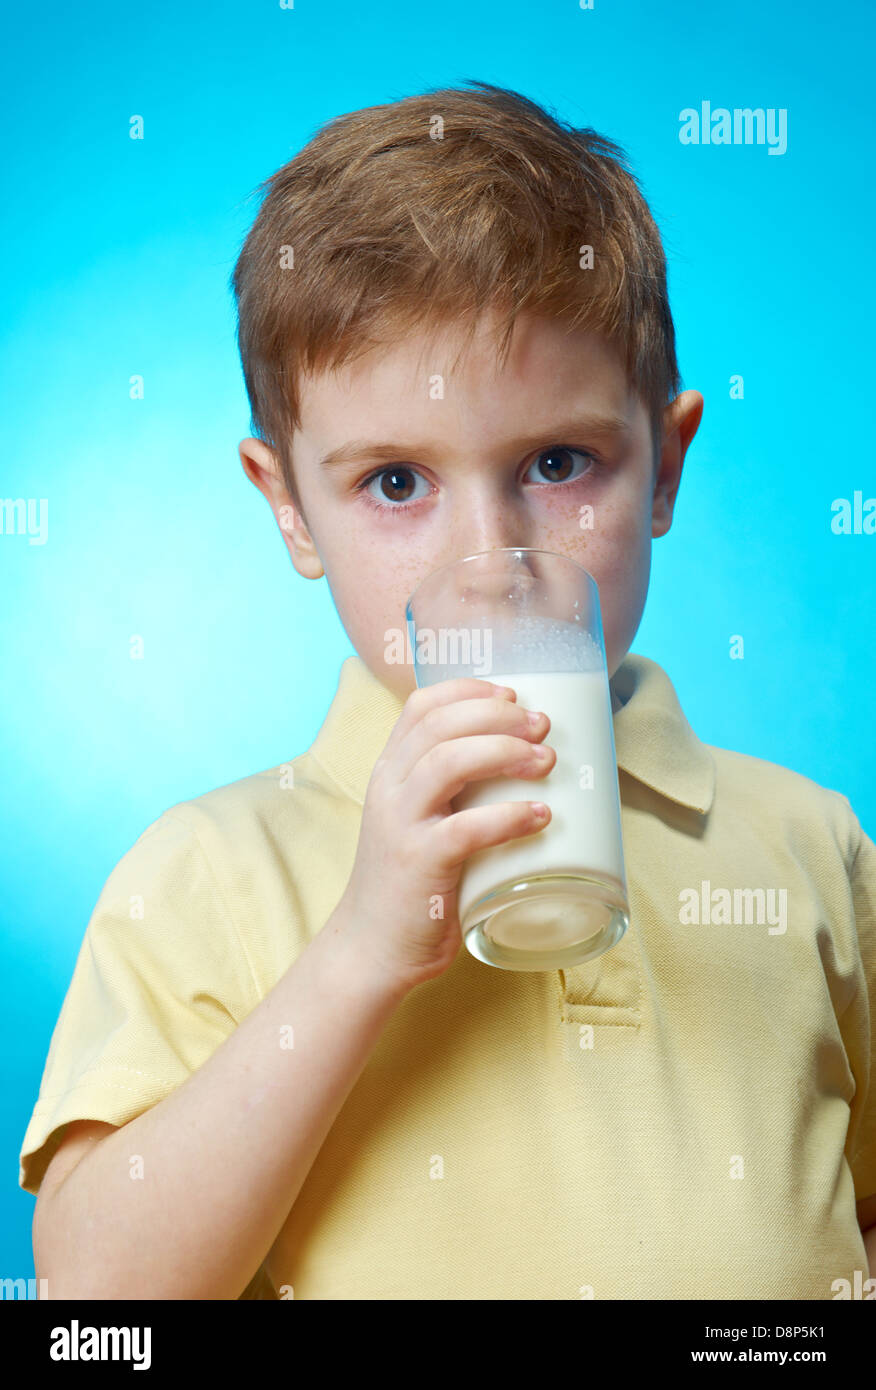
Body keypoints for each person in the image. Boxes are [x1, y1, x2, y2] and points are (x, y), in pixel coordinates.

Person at [19, 80, 876, 1300]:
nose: (495, 561)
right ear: (289, 506)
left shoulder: (811, 844)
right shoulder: (209, 871)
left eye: (558, 462)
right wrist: (360, 948)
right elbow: (94, 1306)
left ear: (667, 466)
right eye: (396, 484)